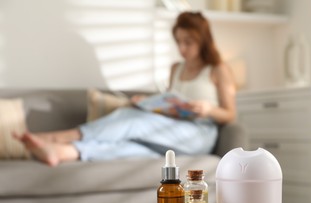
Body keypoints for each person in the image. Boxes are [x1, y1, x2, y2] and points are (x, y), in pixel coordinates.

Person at [13, 12, 237, 167]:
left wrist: (208, 109)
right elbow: (170, 101)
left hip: (200, 134)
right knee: (131, 146)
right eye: (178, 41)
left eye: (188, 42)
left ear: (203, 39)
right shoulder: (176, 68)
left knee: (133, 120)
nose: (182, 48)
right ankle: (64, 152)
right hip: (171, 130)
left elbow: (230, 114)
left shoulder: (218, 69)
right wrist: (149, 103)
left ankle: (57, 137)